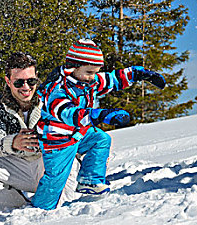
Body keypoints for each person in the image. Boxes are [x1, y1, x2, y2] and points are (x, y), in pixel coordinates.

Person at [32, 39, 166, 210]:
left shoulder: (89, 81)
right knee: (57, 178)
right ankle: (40, 210)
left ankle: (90, 181)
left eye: (95, 72)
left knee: (100, 139)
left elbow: (112, 79)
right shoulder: (57, 89)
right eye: (89, 72)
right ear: (72, 68)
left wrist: (137, 74)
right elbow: (68, 114)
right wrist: (99, 115)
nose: (93, 76)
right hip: (57, 139)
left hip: (78, 134)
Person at [0, 52, 80, 212]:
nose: (26, 87)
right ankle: (14, 210)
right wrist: (12, 143)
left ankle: (60, 208)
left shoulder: (52, 99)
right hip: (16, 166)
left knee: (65, 155)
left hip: (46, 164)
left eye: (31, 81)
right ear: (8, 81)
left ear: (37, 78)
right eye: (19, 82)